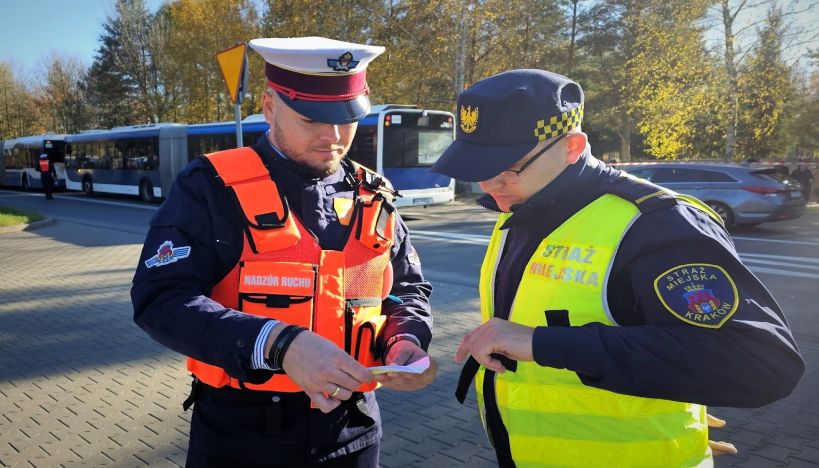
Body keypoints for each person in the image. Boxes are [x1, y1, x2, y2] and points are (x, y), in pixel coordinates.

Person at [431, 69, 804, 467]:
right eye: (478, 169)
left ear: (572, 147)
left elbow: (762, 364)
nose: (490, 185)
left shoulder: (656, 221)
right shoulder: (519, 210)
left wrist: (544, 343)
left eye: (508, 168)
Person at [131, 37, 437, 467]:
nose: (333, 137)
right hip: (243, 438)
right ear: (270, 106)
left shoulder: (375, 193)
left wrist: (404, 337)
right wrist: (279, 345)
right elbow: (159, 300)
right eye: (313, 119)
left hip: (355, 432)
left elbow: (406, 288)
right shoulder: (209, 187)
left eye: (348, 118)